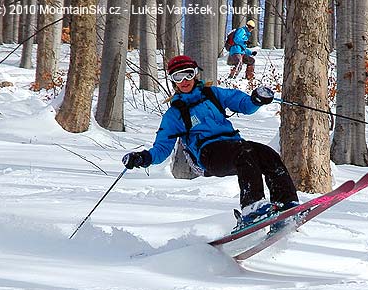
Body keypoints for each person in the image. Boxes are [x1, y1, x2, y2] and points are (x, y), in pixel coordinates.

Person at [122, 55, 298, 231]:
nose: (184, 81)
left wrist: (255, 100)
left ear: (195, 74)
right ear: (173, 81)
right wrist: (143, 158)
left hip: (233, 145)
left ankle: (286, 204)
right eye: (177, 77)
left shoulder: (213, 94)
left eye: (188, 74)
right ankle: (252, 208)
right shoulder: (174, 114)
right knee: (244, 152)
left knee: (267, 154)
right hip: (208, 156)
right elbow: (161, 149)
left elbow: (243, 103)